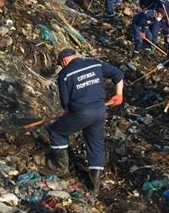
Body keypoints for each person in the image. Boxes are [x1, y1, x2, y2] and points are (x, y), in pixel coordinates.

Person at [47, 48, 124, 194]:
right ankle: (94, 185)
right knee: (95, 142)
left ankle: (61, 167)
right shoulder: (94, 64)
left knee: (55, 131)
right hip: (100, 111)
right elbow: (118, 74)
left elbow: (65, 102)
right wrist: (119, 94)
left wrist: (67, 112)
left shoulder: (65, 74)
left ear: (64, 61)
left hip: (81, 113)